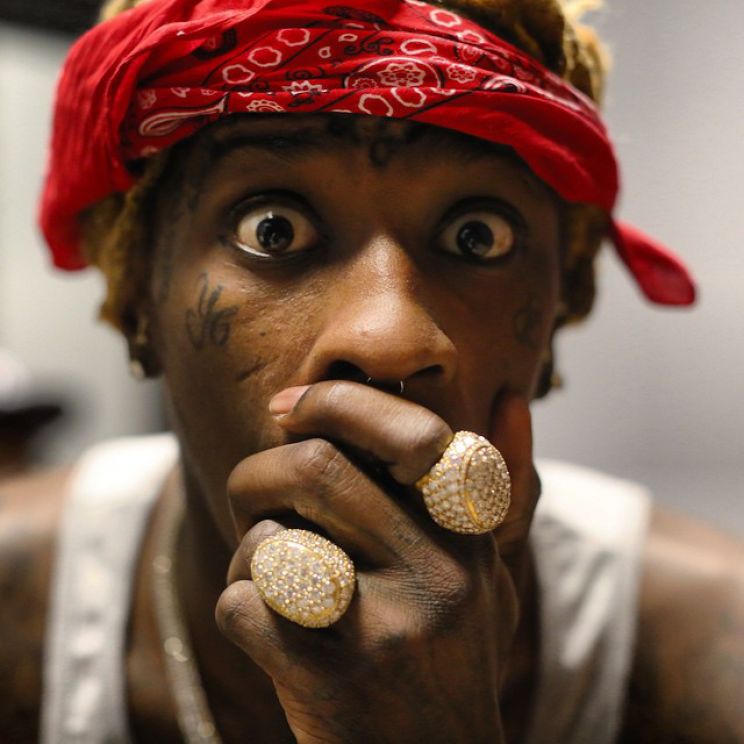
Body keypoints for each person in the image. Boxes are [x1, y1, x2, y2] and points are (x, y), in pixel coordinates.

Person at [1, 0, 742, 741]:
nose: (390, 340)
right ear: (138, 297)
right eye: (273, 230)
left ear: (563, 305)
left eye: (476, 237)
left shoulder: (711, 651)